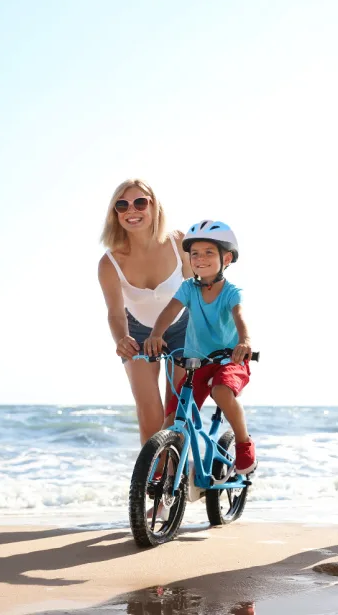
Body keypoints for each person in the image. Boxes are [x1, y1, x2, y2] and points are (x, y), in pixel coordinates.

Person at [145, 220, 257, 475]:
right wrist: (155, 334)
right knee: (172, 418)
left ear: (226, 258)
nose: (200, 258)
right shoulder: (188, 288)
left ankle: (243, 442)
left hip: (231, 360)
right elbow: (169, 312)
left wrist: (245, 342)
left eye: (208, 252)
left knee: (221, 391)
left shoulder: (231, 293)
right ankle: (163, 470)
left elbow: (240, 318)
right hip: (197, 363)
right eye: (194, 253)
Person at [98, 178, 192, 445]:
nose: (132, 210)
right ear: (115, 214)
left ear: (154, 207)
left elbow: (200, 290)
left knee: (177, 413)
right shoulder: (109, 262)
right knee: (149, 415)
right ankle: (152, 483)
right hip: (137, 332)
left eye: (140, 202)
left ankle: (180, 480)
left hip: (182, 329)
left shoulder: (178, 243)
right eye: (122, 205)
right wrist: (121, 339)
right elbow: (115, 313)